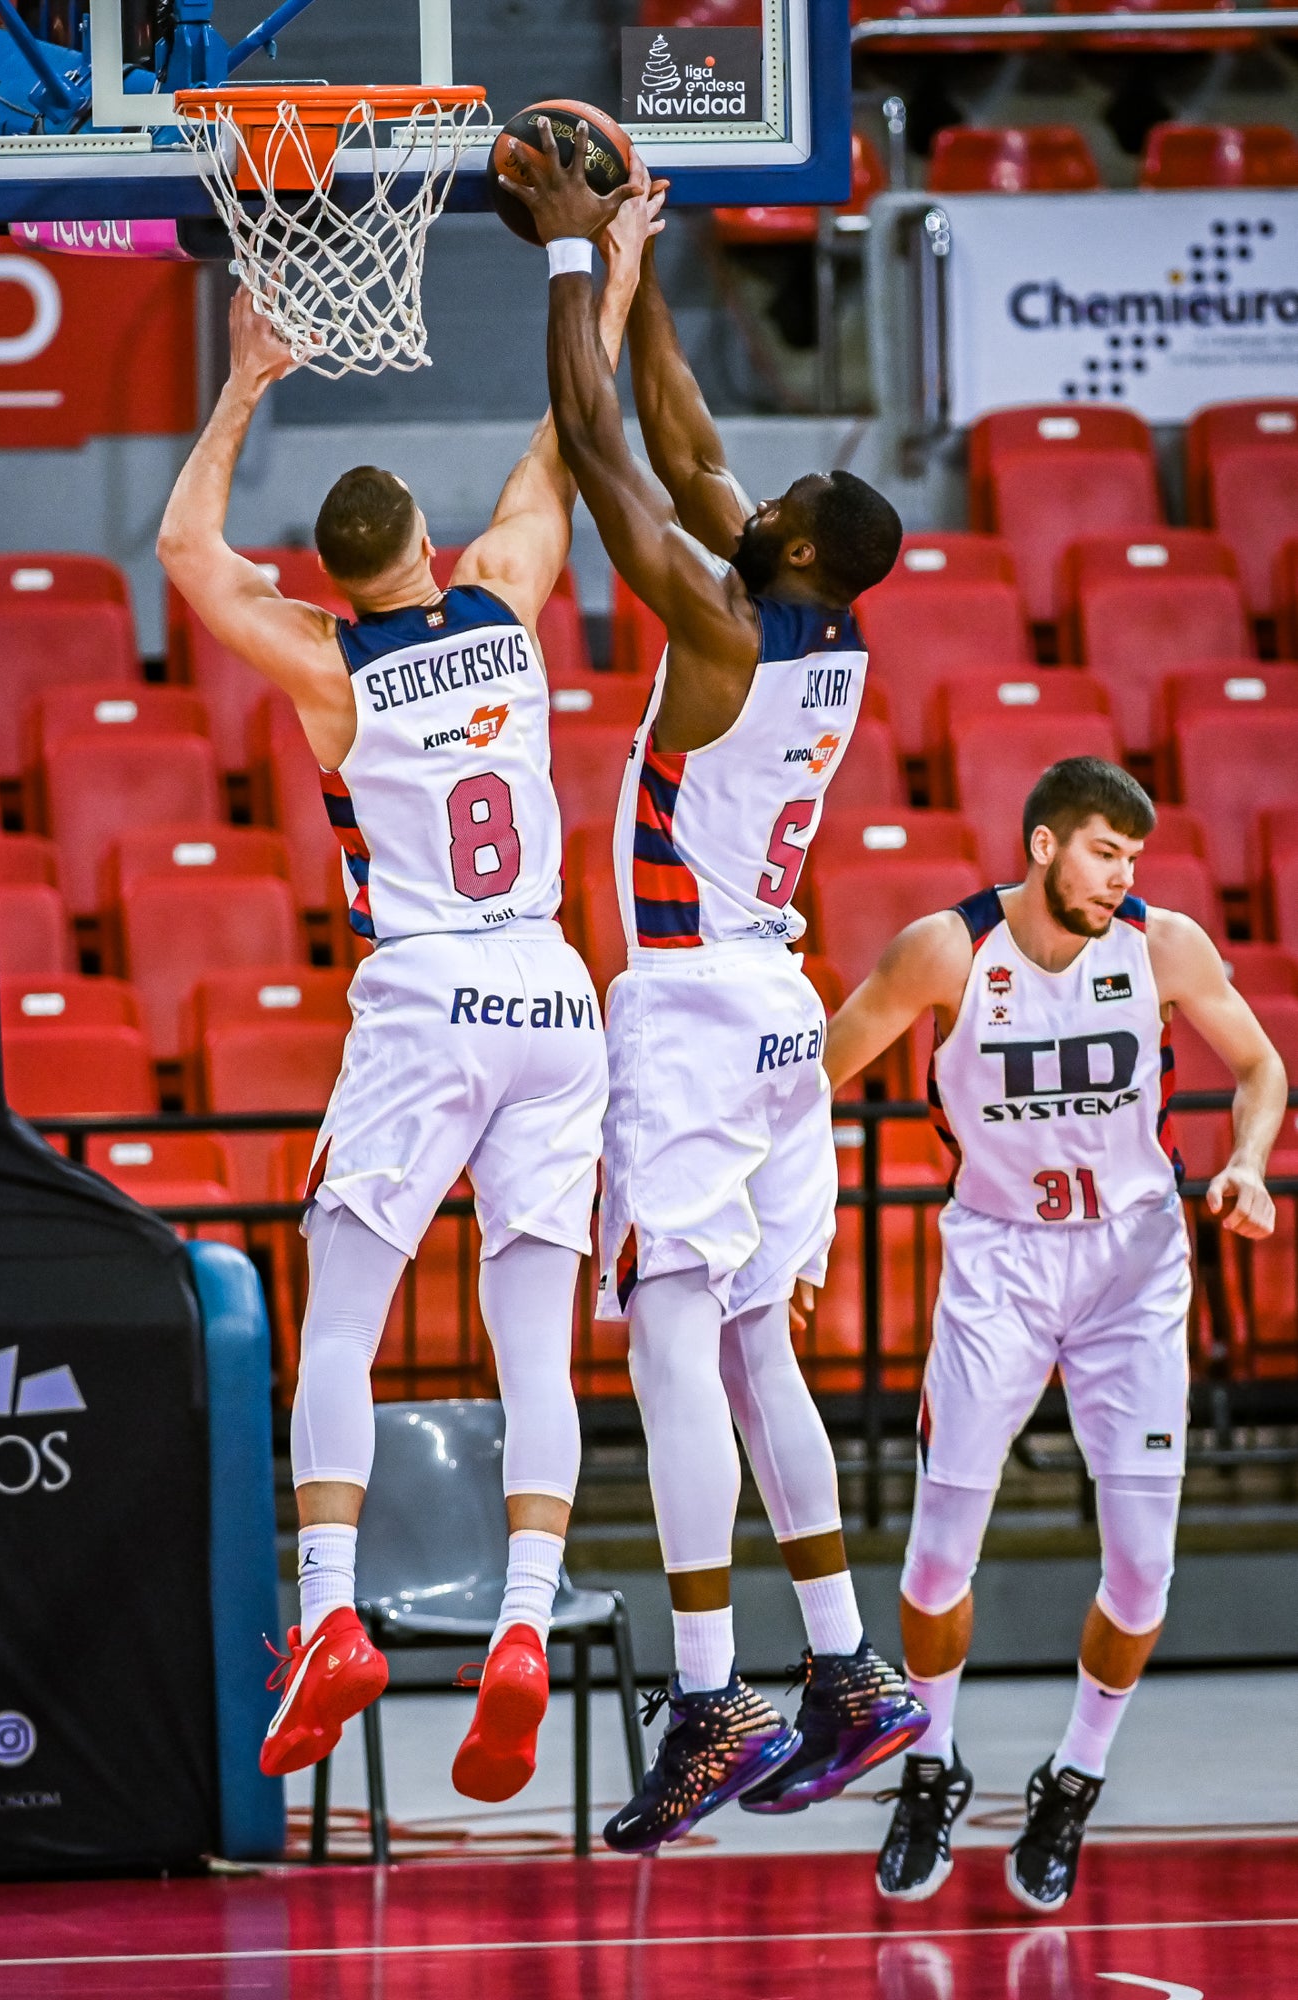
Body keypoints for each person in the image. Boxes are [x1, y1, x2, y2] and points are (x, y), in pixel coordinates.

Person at [155, 182, 662, 1802]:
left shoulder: (326, 663)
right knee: (532, 1339)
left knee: (344, 1320)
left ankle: (330, 1621)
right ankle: (521, 1624)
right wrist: (611, 260)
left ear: (334, 576)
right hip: (553, 991)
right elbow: (567, 446)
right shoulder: (508, 603)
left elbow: (181, 553)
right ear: (429, 557)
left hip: (429, 989)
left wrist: (246, 373)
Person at [502, 122, 926, 1855]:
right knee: (760, 1355)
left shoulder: (726, 627)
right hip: (770, 1020)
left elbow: (610, 452)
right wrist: (642, 253)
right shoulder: (815, 625)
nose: (750, 506)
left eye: (777, 515)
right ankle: (846, 1669)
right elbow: (685, 444)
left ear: (796, 558)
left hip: (689, 1012)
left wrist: (553, 256)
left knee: (679, 1348)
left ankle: (707, 1693)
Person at [823, 756, 1286, 1911]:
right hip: (997, 1260)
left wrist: (1242, 1162)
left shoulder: (1161, 943)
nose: (1120, 875)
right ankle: (928, 1763)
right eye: (1100, 850)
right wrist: (785, 1226)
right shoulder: (945, 950)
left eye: (1131, 856)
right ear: (1040, 845)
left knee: (1141, 1572)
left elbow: (1259, 1066)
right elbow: (818, 1074)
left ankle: (1071, 1776)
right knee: (935, 1557)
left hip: (1132, 1266)